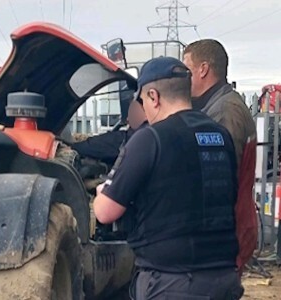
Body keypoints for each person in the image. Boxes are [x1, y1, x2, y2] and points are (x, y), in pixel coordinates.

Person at [93, 56, 243, 299]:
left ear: (154, 96)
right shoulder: (220, 135)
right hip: (224, 279)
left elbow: (105, 212)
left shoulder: (149, 139)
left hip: (172, 284)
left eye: (142, 101)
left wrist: (102, 192)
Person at [183, 39, 258, 275]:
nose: (183, 79)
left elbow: (219, 178)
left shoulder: (226, 111)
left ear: (203, 69)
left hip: (227, 232)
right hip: (225, 230)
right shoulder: (214, 107)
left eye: (187, 69)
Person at [71, 100, 147, 166]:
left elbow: (104, 144)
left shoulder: (135, 138)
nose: (127, 119)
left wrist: (73, 147)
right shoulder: (150, 137)